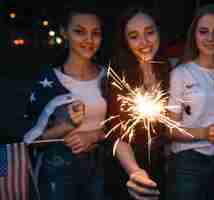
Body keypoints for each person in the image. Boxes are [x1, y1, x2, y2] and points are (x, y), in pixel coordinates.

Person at [23, 2, 108, 200]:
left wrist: (94, 135)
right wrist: (66, 126)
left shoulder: (108, 78)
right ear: (65, 33)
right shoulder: (49, 82)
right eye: (80, 31)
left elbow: (121, 125)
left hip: (100, 170)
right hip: (57, 172)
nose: (89, 39)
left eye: (95, 33)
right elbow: (30, 141)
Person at [166, 4, 214, 200]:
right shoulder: (181, 74)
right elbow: (170, 130)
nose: (210, 38)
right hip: (188, 162)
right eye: (203, 31)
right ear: (194, 34)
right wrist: (204, 133)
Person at [106, 5, 171, 200]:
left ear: (159, 31)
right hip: (128, 170)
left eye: (149, 32)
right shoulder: (118, 76)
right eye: (134, 36)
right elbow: (116, 135)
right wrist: (135, 172)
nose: (144, 42)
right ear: (125, 42)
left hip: (164, 168)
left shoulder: (168, 69)